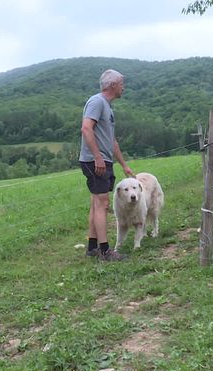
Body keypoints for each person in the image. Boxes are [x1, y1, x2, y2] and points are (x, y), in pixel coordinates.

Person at [79, 69, 133, 261]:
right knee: (102, 203)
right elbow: (86, 128)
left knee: (96, 203)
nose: (123, 87)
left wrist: (124, 165)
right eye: (121, 83)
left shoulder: (108, 108)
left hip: (103, 160)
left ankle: (92, 247)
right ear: (112, 85)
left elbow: (112, 141)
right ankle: (105, 251)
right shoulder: (97, 102)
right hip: (95, 161)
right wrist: (97, 157)